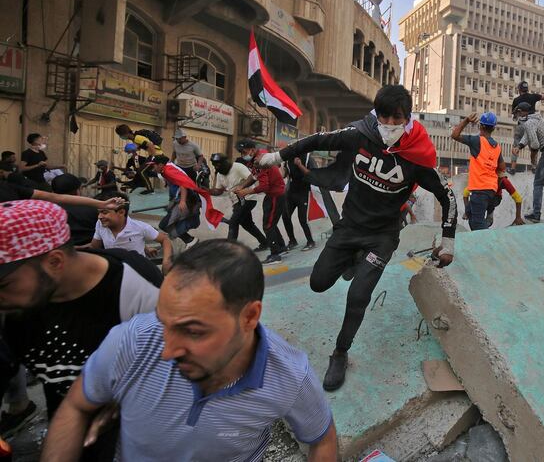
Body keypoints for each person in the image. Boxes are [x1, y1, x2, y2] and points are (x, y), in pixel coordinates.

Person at [41, 240, 338, 462]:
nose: (167, 351)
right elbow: (77, 406)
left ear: (249, 317)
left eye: (193, 331)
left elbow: (322, 440)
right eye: (163, 322)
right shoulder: (131, 341)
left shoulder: (288, 376)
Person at [256, 85, 456, 391]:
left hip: (382, 236)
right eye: (384, 116)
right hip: (349, 228)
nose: (390, 123)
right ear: (376, 114)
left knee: (358, 295)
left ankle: (340, 353)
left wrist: (448, 241)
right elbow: (316, 140)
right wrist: (278, 155)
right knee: (318, 282)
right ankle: (352, 258)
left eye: (397, 117)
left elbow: (449, 196)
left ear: (408, 118)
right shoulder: (360, 134)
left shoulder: (418, 157)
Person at [0, 199, 162, 459]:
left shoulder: (134, 288)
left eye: (4, 285)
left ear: (54, 262)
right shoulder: (14, 309)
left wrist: (125, 399)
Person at [81, 192, 173, 273]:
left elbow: (165, 239)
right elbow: (94, 247)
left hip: (138, 272)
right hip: (115, 271)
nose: (100, 217)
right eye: (99, 212)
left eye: (104, 212)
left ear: (121, 212)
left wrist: (166, 262)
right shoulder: (100, 225)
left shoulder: (139, 227)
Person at [150, 155, 223, 247]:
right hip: (186, 197)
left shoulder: (168, 171)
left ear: (160, 165)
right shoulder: (166, 169)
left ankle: (188, 239)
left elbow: (183, 184)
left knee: (166, 224)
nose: (153, 168)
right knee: (166, 224)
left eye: (154, 166)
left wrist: (182, 201)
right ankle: (190, 241)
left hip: (189, 197)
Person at [234, 141, 288, 264]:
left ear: (252, 150)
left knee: (268, 225)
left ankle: (275, 255)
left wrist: (246, 191)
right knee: (270, 223)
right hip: (273, 194)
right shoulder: (257, 159)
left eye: (244, 152)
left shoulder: (261, 161)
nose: (243, 155)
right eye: (241, 153)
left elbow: (264, 185)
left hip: (275, 194)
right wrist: (242, 186)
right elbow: (253, 177)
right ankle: (281, 247)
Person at [451, 111, 506, 231]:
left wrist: (466, 120)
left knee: (477, 226)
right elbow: (502, 167)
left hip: (480, 189)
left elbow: (454, 135)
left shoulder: (478, 141)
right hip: (491, 190)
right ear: (493, 128)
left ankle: (488, 244)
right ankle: (487, 217)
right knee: (471, 214)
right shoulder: (496, 146)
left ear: (480, 126)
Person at [1, 161, 125, 210]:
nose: (99, 168)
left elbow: (55, 197)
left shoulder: (9, 187)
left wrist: (101, 204)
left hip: (108, 192)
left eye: (100, 166)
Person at [208, 153, 270, 251]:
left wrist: (241, 187)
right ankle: (265, 243)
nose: (216, 167)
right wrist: (206, 190)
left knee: (233, 222)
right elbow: (219, 191)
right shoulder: (220, 174)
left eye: (218, 165)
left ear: (224, 163)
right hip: (237, 202)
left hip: (248, 198)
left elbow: (251, 177)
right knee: (247, 224)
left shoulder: (237, 167)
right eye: (214, 165)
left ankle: (230, 250)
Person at [51, 173, 99, 247]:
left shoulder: (49, 211)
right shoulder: (92, 208)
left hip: (61, 250)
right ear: (77, 191)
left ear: (53, 192)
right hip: (90, 250)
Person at [283, 154, 317, 251]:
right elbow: (284, 175)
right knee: (285, 216)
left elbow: (312, 175)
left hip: (303, 192)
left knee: (302, 219)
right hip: (291, 193)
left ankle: (310, 241)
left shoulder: (308, 158)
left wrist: (300, 165)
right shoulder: (288, 159)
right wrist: (280, 167)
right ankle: (292, 241)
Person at [169, 129, 204, 200]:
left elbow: (200, 156)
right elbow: (174, 153)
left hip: (191, 167)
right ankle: (174, 199)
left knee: (193, 185)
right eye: (177, 139)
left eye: (180, 139)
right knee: (176, 183)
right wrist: (171, 161)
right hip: (180, 167)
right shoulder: (175, 143)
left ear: (184, 137)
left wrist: (198, 165)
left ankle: (196, 199)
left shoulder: (193, 146)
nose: (178, 140)